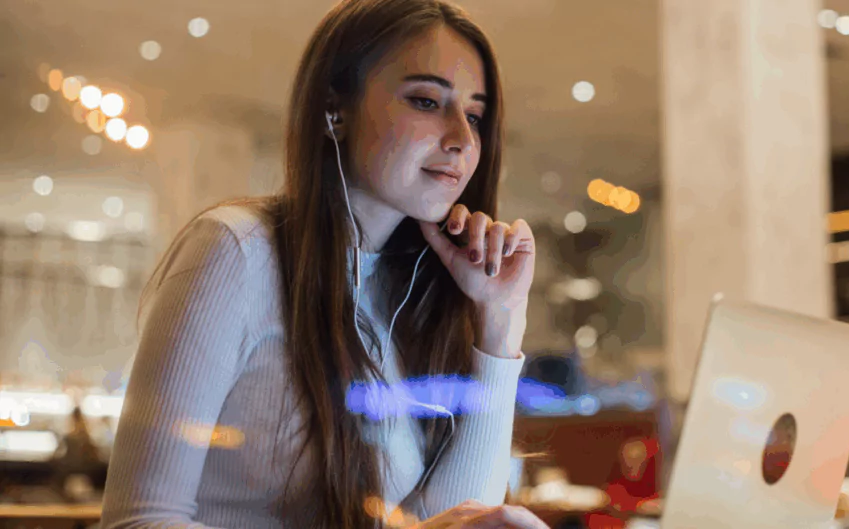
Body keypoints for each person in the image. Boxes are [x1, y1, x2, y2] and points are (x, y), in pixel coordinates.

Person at [100, 1, 548, 527]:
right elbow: (138, 521)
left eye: (474, 115)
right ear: (336, 111)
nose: (462, 139)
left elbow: (452, 517)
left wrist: (500, 320)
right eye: (427, 101)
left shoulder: (414, 292)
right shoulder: (236, 252)